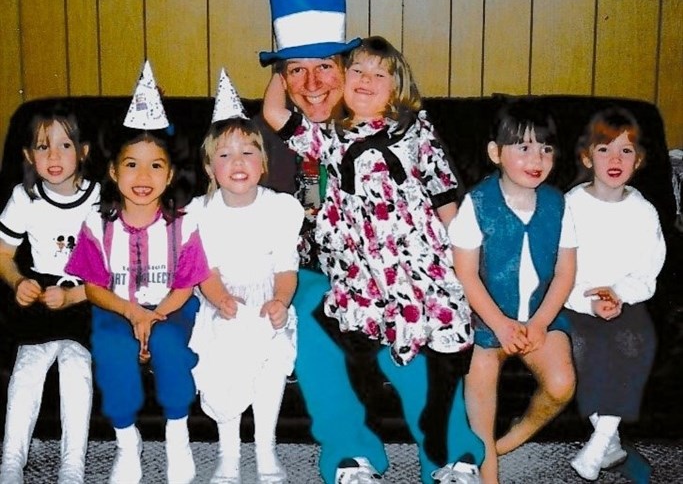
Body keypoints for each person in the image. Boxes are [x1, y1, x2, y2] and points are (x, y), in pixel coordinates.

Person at [264, 34, 483, 483]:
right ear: (281, 79)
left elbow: (447, 202)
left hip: (408, 263)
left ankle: (448, 453)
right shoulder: (282, 138)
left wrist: (462, 267)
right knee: (319, 322)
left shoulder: (408, 131)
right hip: (316, 269)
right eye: (294, 70)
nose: (311, 82)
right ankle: (351, 453)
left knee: (425, 333)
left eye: (324, 67)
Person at [64, 62, 211, 484]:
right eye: (131, 165)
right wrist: (132, 314)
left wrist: (154, 317)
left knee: (168, 346)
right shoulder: (97, 223)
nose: (142, 177)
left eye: (155, 167)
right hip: (116, 306)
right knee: (110, 349)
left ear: (169, 176)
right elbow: (92, 286)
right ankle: (127, 443)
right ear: (113, 171)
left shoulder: (184, 223)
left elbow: (186, 283)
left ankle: (177, 434)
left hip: (170, 308)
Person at [449, 100, 577, 484]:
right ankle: (488, 469)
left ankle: (510, 439)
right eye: (523, 147)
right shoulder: (476, 205)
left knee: (561, 385)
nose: (536, 157)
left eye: (546, 148)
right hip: (486, 322)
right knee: (481, 395)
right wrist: (501, 326)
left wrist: (539, 324)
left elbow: (565, 272)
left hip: (541, 316)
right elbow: (466, 275)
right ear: (495, 153)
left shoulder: (558, 204)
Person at [187, 70, 304, 484]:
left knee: (271, 362)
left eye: (248, 152)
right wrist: (219, 300)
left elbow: (285, 268)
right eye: (225, 154)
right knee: (223, 357)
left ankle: (266, 448)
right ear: (208, 166)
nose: (238, 163)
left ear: (264, 162)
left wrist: (280, 301)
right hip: (223, 301)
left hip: (267, 297)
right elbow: (205, 270)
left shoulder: (280, 208)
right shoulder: (200, 213)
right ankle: (229, 452)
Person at [564, 107, 665, 481]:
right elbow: (560, 268)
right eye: (605, 149)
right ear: (588, 157)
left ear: (638, 161)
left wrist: (619, 295)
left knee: (633, 342)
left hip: (625, 303)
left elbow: (648, 269)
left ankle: (599, 444)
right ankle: (610, 442)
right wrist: (587, 301)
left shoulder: (643, 212)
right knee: (581, 349)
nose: (615, 159)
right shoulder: (571, 205)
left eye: (626, 151)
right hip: (576, 300)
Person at [0, 105, 99, 484]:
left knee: (75, 366)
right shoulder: (24, 198)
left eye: (64, 145)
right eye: (43, 147)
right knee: (27, 368)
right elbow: (4, 254)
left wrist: (74, 297)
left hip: (84, 293)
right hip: (39, 292)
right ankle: (11, 460)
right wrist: (17, 282)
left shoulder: (100, 198)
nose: (54, 157)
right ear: (28, 156)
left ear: (84, 152)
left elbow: (111, 266)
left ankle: (72, 464)